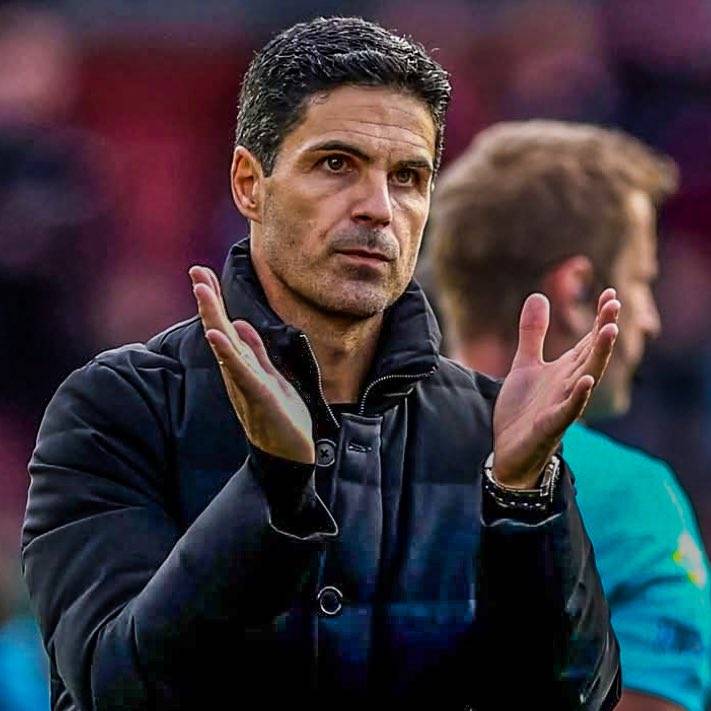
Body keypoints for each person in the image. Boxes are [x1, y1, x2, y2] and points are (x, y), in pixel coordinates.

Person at [22, 19, 621, 709]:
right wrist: (274, 489)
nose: (378, 209)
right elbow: (116, 689)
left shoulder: (492, 431)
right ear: (249, 184)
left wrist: (522, 500)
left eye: (407, 177)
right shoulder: (114, 410)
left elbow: (573, 699)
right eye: (336, 164)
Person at [426, 120, 711, 711]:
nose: (651, 319)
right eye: (642, 281)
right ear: (577, 291)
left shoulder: (353, 464)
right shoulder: (632, 497)